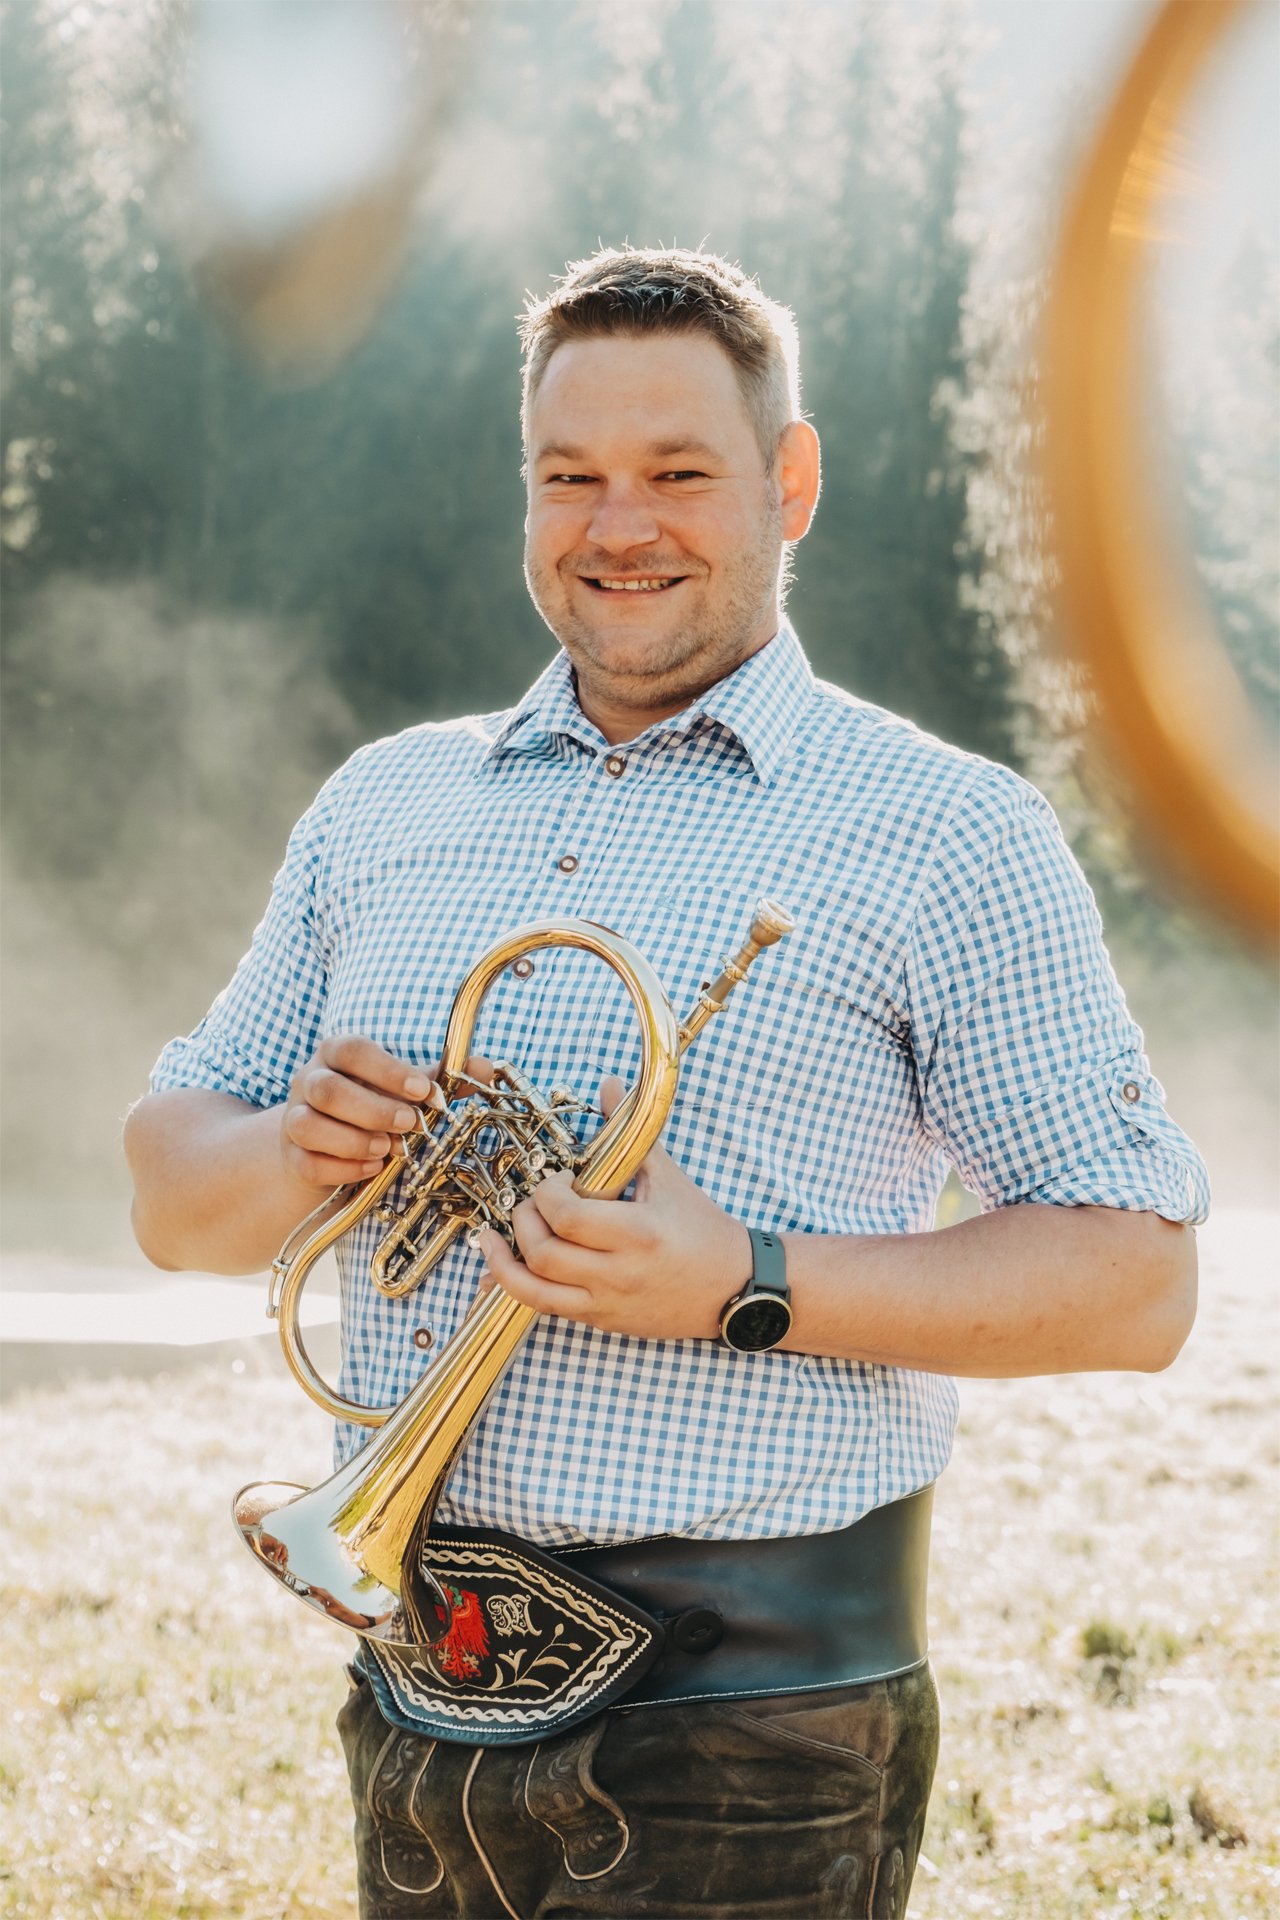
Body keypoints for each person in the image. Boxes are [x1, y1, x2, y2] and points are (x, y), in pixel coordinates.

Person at [125, 246, 1208, 1920]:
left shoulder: (946, 832)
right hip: (419, 1698)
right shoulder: (386, 806)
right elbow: (170, 1192)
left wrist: (744, 1287)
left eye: (678, 474)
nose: (618, 525)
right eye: (573, 479)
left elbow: (1135, 1282)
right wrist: (293, 1146)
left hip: (753, 1733)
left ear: (791, 482)